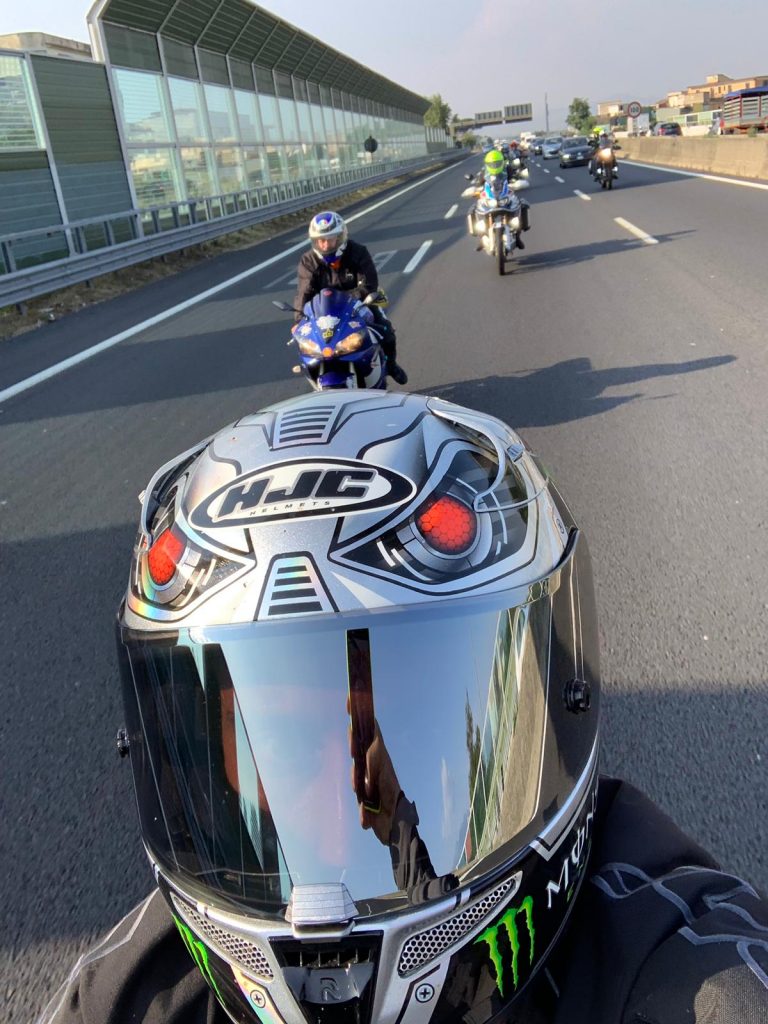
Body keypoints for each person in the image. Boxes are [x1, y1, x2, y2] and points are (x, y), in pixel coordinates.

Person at [40, 391, 768, 1024]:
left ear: (560, 708)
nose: (344, 810)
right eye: (280, 746)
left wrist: (405, 837)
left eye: (411, 731)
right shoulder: (128, 994)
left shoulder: (676, 961)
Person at [294, 210, 407, 385]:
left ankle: (391, 365)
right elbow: (304, 292)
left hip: (359, 304)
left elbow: (369, 284)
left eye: (330, 239)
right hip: (324, 312)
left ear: (340, 237)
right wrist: (299, 318)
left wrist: (350, 297)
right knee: (307, 344)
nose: (325, 245)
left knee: (386, 330)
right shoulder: (308, 261)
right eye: (320, 240)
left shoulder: (358, 252)